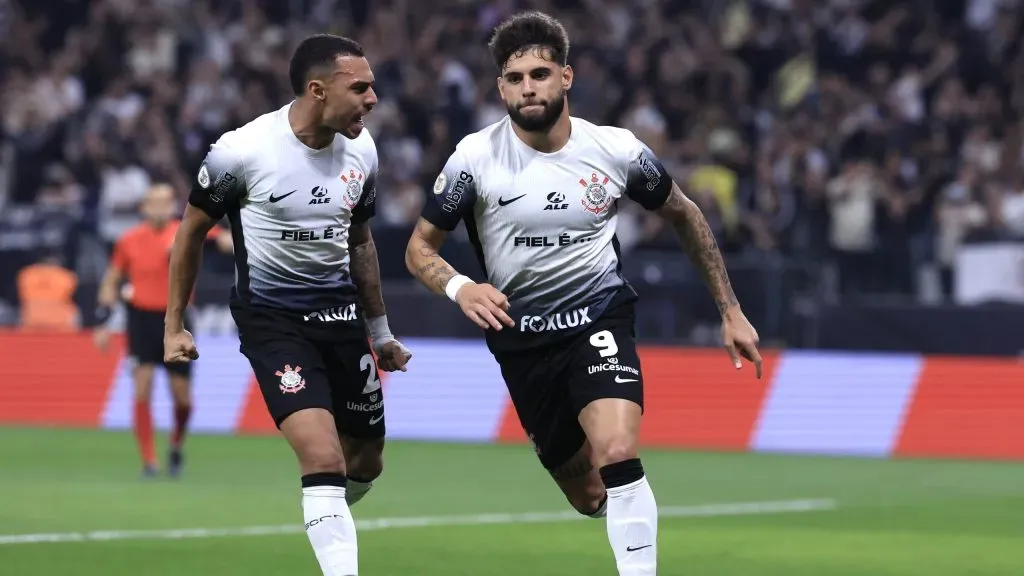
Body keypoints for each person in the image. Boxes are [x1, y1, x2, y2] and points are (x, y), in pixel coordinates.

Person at [405, 11, 761, 576]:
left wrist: (731, 310)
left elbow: (685, 215)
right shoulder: (474, 159)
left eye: (540, 74)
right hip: (521, 341)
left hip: (598, 319)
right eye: (515, 78)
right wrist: (461, 286)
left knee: (618, 451)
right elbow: (419, 249)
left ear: (565, 78)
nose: (529, 88)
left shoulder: (615, 151)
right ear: (500, 87)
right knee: (590, 494)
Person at [163, 34, 411, 576]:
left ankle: (324, 514)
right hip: (273, 320)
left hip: (342, 316)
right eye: (361, 88)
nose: (373, 100)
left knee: (365, 460)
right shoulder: (242, 151)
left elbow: (360, 242)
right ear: (318, 90)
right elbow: (190, 234)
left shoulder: (363, 149)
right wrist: (174, 325)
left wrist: (383, 332)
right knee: (322, 459)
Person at [94, 182, 231, 478]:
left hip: (177, 318)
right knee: (142, 386)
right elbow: (112, 279)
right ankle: (149, 461)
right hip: (142, 319)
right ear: (144, 207)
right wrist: (103, 321)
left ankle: (176, 444)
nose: (161, 208)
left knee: (182, 397)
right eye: (154, 202)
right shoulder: (129, 240)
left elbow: (224, 242)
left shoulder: (184, 230)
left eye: (166, 202)